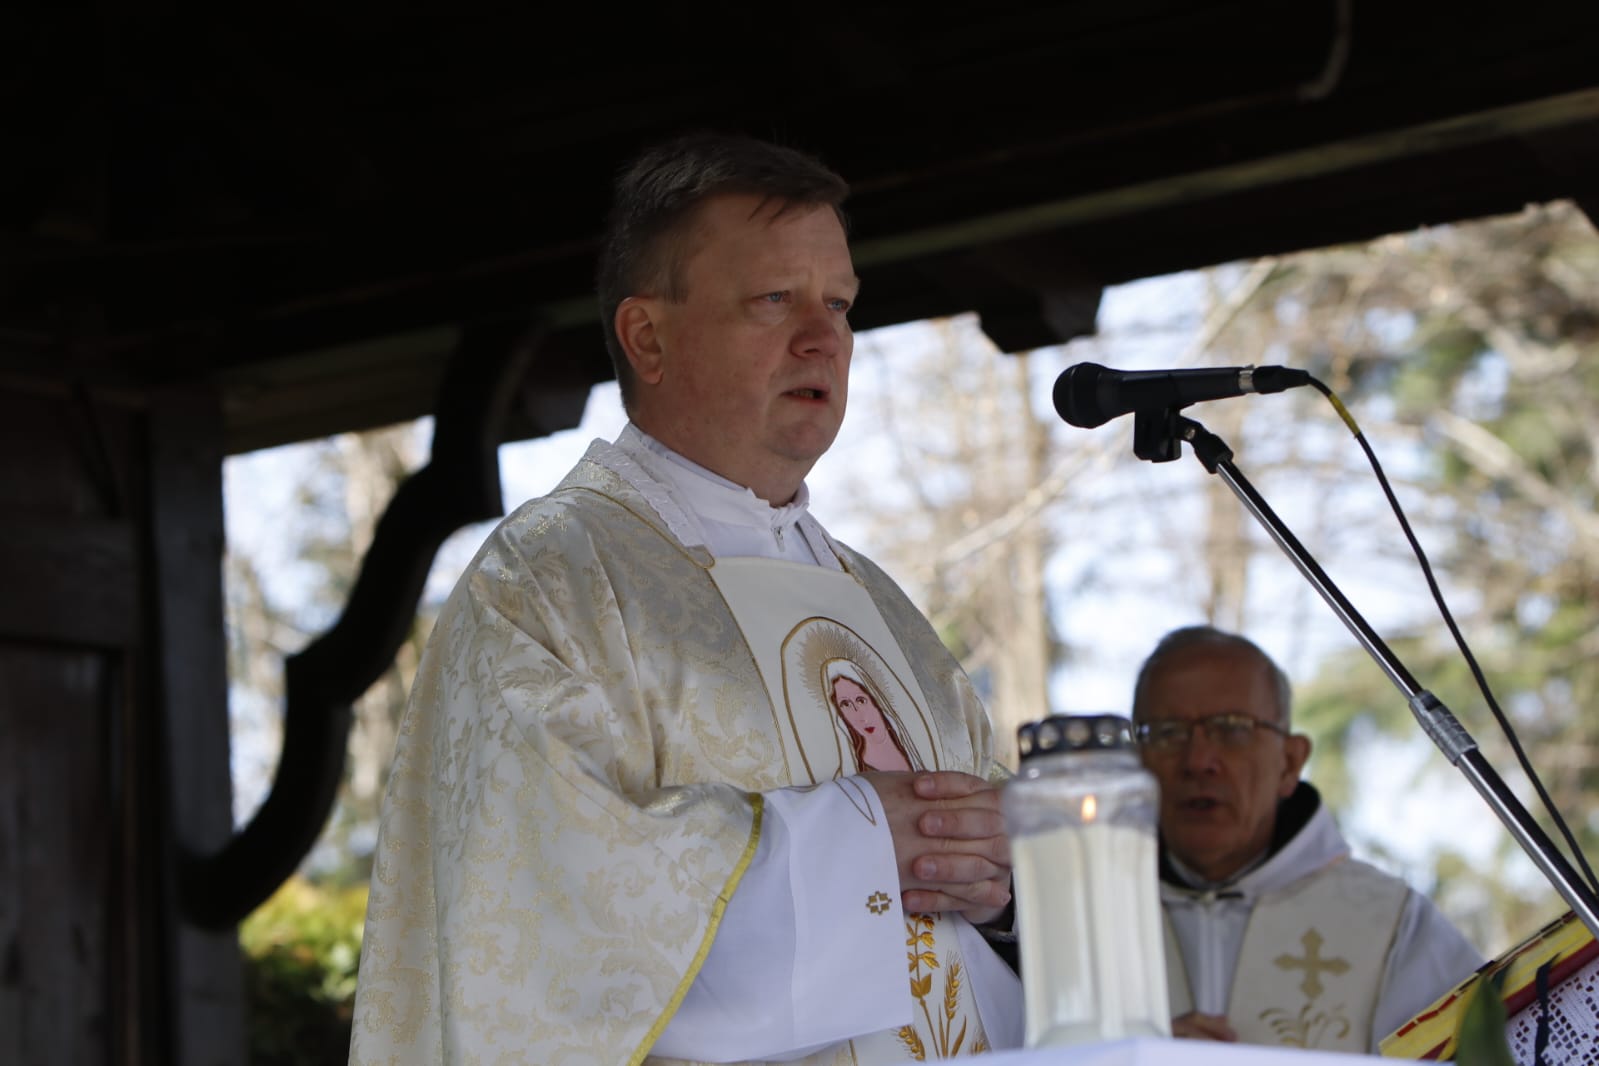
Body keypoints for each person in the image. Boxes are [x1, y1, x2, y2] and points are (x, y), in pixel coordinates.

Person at [348, 132, 1023, 1065]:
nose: (821, 336)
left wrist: (1001, 886)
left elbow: (977, 917)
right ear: (646, 337)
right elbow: (545, 903)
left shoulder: (880, 605)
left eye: (838, 303)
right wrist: (864, 846)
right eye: (773, 299)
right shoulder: (552, 578)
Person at [1131, 625, 1483, 1053]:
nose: (1198, 760)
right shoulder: (1085, 917)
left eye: (1232, 729)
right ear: (1135, 762)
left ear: (1289, 762)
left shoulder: (1391, 926)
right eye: (1167, 733)